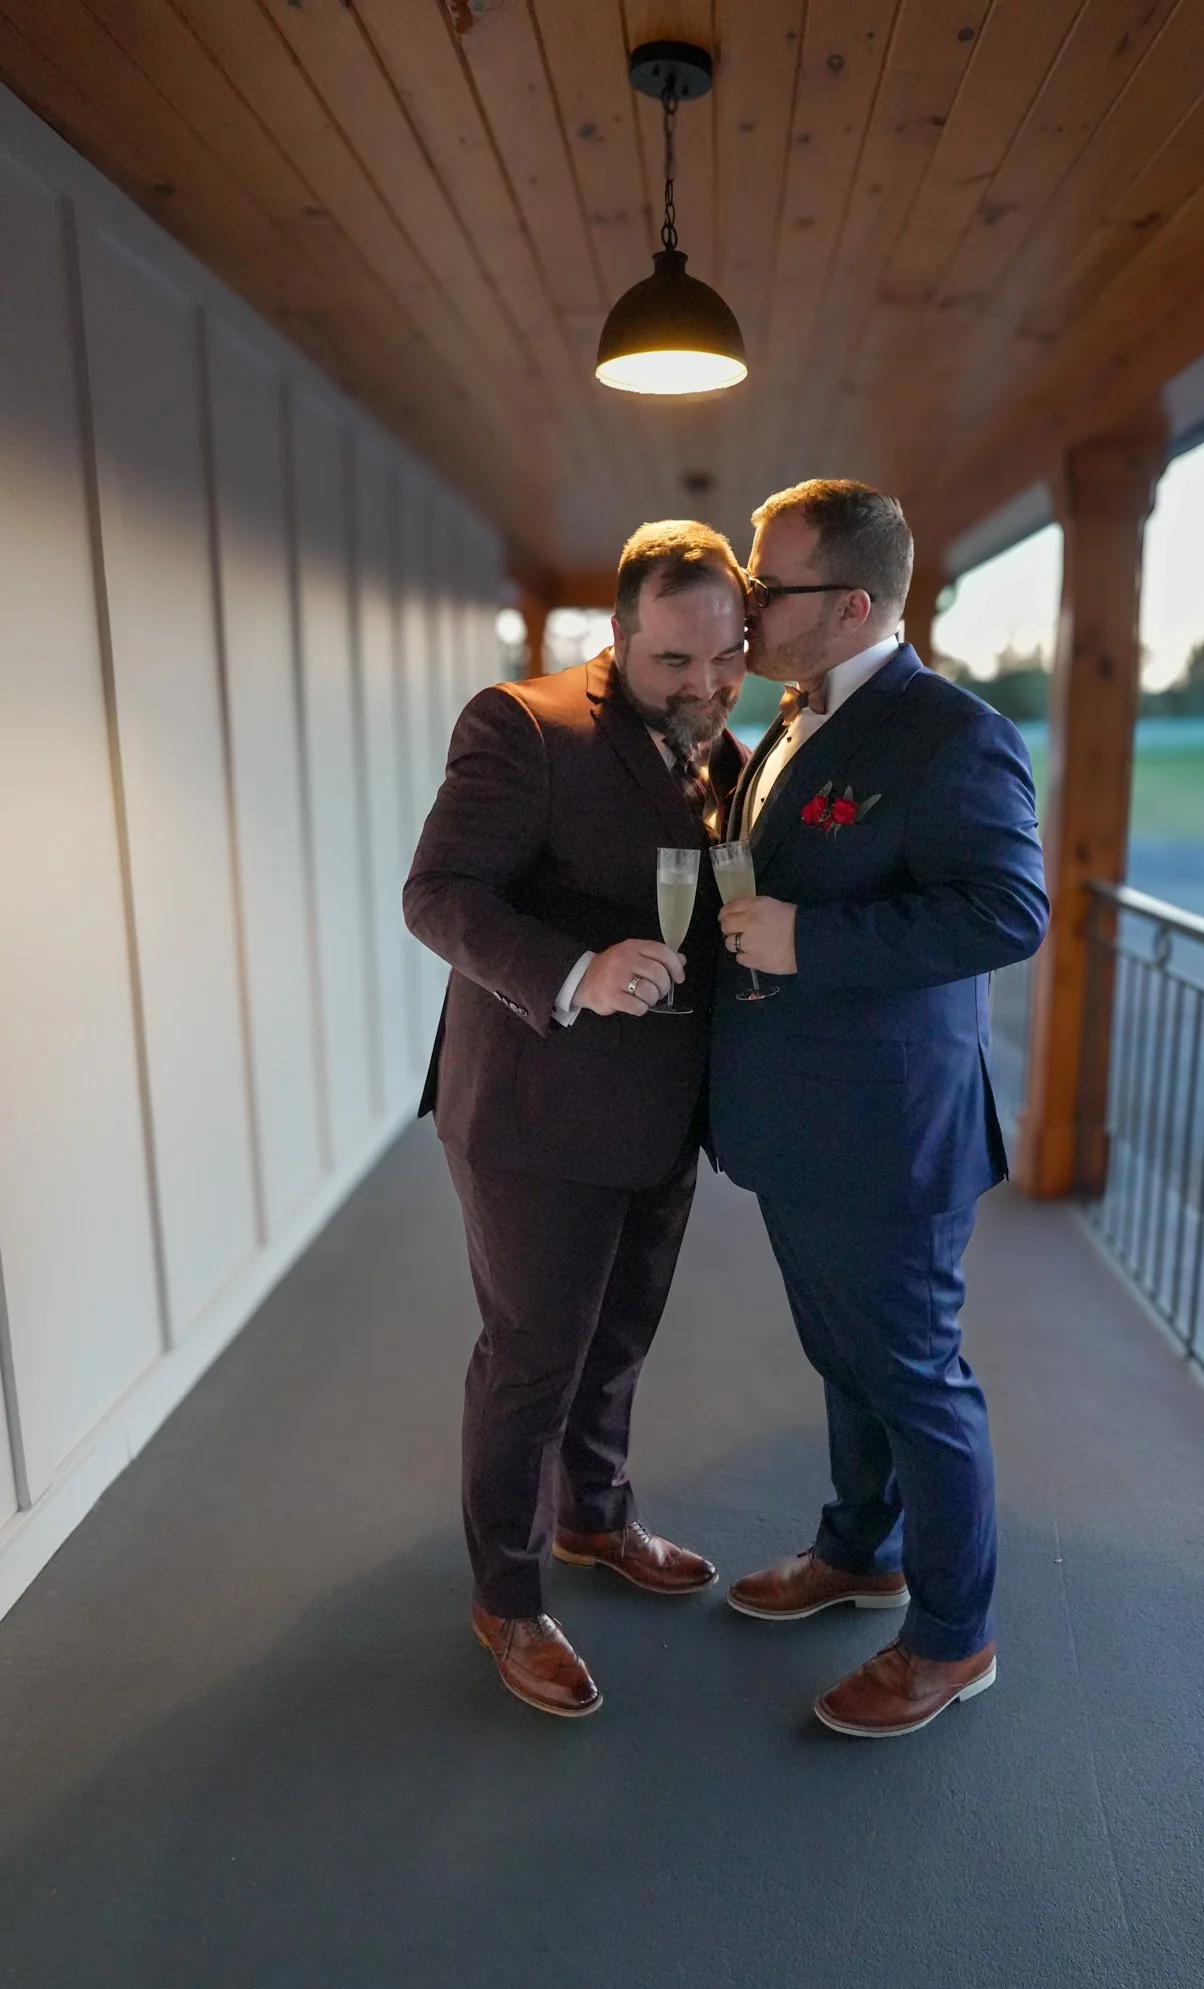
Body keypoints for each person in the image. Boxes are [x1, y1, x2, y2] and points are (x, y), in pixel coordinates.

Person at [710, 479, 1049, 1738]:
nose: (746, 601)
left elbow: (1008, 910)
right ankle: (860, 1550)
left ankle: (955, 1638)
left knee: (915, 1378)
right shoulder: (792, 715)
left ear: (852, 605)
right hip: (794, 1121)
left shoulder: (952, 734)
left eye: (767, 582)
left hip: (888, 1133)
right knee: (845, 1356)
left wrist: (813, 938)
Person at [404, 521, 748, 1720]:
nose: (704, 684)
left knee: (619, 1339)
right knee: (533, 1357)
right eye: (675, 660)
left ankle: (596, 1518)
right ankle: (507, 1594)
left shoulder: (724, 747)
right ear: (620, 634)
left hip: (661, 1115)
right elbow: (437, 893)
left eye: (727, 657)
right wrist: (574, 971)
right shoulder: (523, 724)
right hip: (533, 1113)